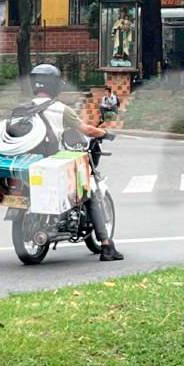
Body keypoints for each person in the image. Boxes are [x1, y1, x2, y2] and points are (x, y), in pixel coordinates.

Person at [28, 64, 124, 262]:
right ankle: (106, 246)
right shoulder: (60, 110)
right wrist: (104, 133)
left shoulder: (25, 108)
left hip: (30, 162)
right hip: (55, 163)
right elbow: (86, 130)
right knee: (88, 192)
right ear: (54, 86)